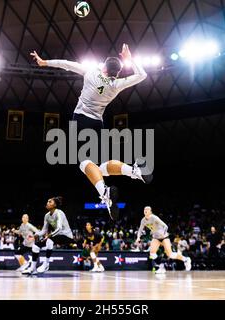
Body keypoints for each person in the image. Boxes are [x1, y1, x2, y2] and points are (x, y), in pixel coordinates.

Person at [30, 44, 151, 220]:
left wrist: (45, 62)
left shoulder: (92, 72)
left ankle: (105, 192)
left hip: (81, 119)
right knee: (100, 167)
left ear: (104, 67)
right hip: (97, 123)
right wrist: (129, 59)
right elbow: (142, 75)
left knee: (83, 162)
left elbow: (67, 64)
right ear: (116, 73)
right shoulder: (116, 84)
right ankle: (133, 171)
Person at [22, 197, 75, 275]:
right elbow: (44, 230)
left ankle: (46, 264)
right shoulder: (47, 216)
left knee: (50, 240)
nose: (47, 203)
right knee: (35, 246)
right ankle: (32, 269)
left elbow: (59, 228)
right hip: (56, 236)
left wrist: (49, 235)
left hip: (67, 236)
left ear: (55, 205)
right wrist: (35, 235)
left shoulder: (59, 213)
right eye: (47, 201)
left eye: (50, 202)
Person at [135, 206, 191, 274]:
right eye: (144, 209)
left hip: (164, 237)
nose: (145, 210)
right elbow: (140, 230)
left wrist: (163, 233)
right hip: (156, 238)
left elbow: (165, 226)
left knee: (170, 255)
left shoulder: (154, 217)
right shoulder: (143, 220)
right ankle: (161, 267)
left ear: (150, 211)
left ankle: (186, 259)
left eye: (147, 209)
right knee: (152, 253)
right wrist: (138, 237)